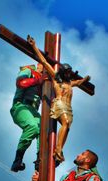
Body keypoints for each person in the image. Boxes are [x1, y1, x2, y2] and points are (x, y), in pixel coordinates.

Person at [27, 36, 91, 164]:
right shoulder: (56, 79)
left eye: (69, 72)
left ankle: (59, 149)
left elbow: (78, 82)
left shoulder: (69, 83)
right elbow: (45, 62)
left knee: (67, 128)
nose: (69, 74)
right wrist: (34, 46)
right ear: (62, 72)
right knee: (66, 123)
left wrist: (85, 79)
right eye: (67, 72)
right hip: (59, 104)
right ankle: (58, 149)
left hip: (68, 108)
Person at [10, 63, 45, 172]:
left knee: (44, 129)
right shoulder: (29, 71)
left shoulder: (46, 81)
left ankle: (41, 160)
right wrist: (38, 80)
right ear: (40, 65)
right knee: (33, 126)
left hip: (33, 110)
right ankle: (17, 160)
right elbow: (21, 83)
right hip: (21, 106)